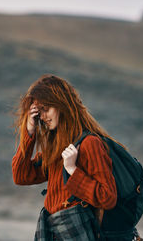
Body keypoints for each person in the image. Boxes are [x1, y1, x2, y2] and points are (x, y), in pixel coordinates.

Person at [12, 74, 132, 241]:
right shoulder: (56, 149)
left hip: (78, 233)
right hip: (53, 232)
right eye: (39, 113)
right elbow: (21, 176)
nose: (43, 117)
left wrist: (72, 170)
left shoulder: (90, 144)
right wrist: (29, 133)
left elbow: (108, 198)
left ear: (61, 105)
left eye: (46, 109)